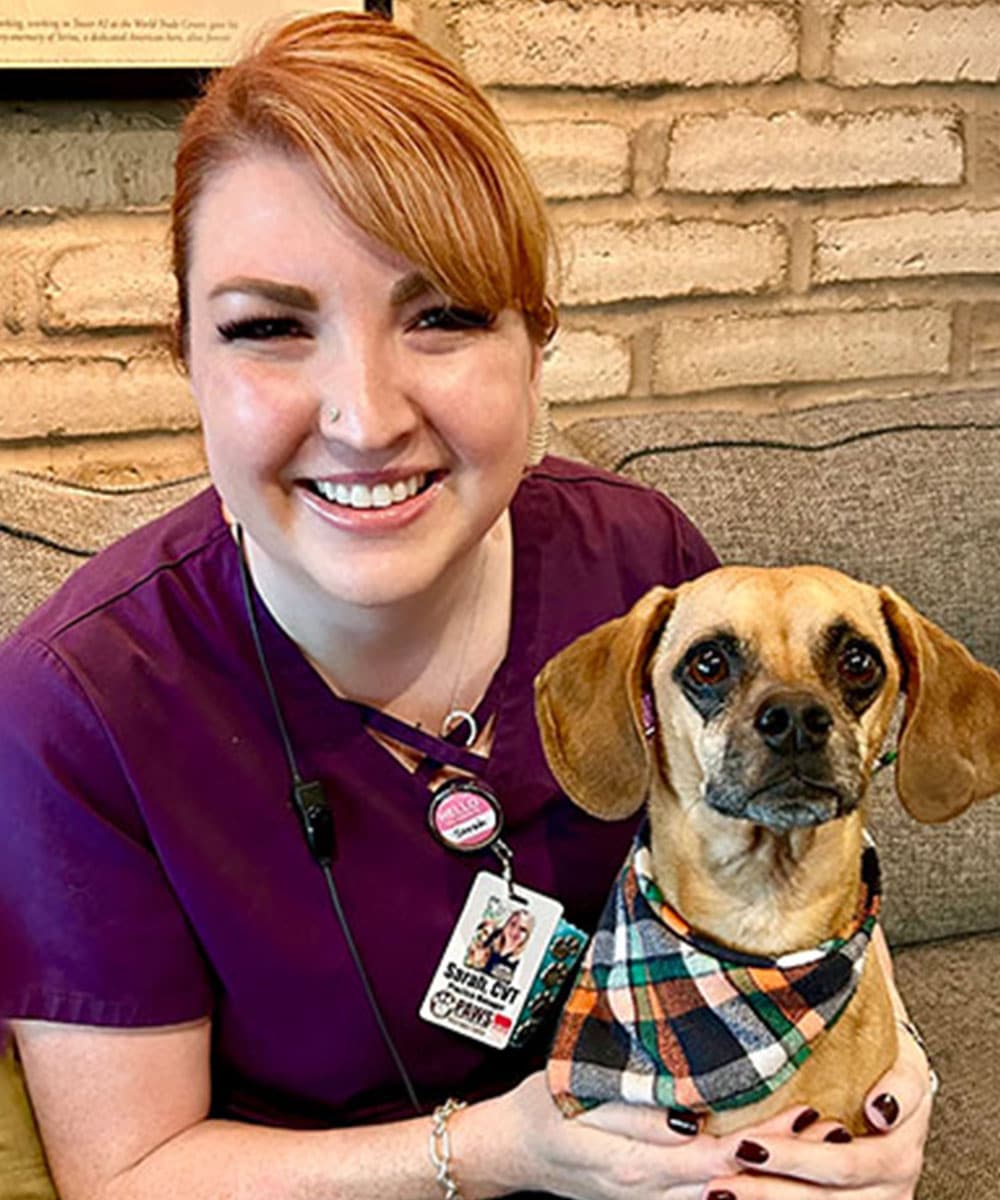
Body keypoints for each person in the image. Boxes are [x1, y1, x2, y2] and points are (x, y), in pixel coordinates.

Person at [0, 11, 934, 1200]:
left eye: (442, 316)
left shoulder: (640, 564)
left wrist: (890, 1071)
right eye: (269, 328)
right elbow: (127, 1174)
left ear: (535, 343)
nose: (365, 416)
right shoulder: (77, 707)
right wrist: (491, 1150)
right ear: (184, 355)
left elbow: (791, 853)